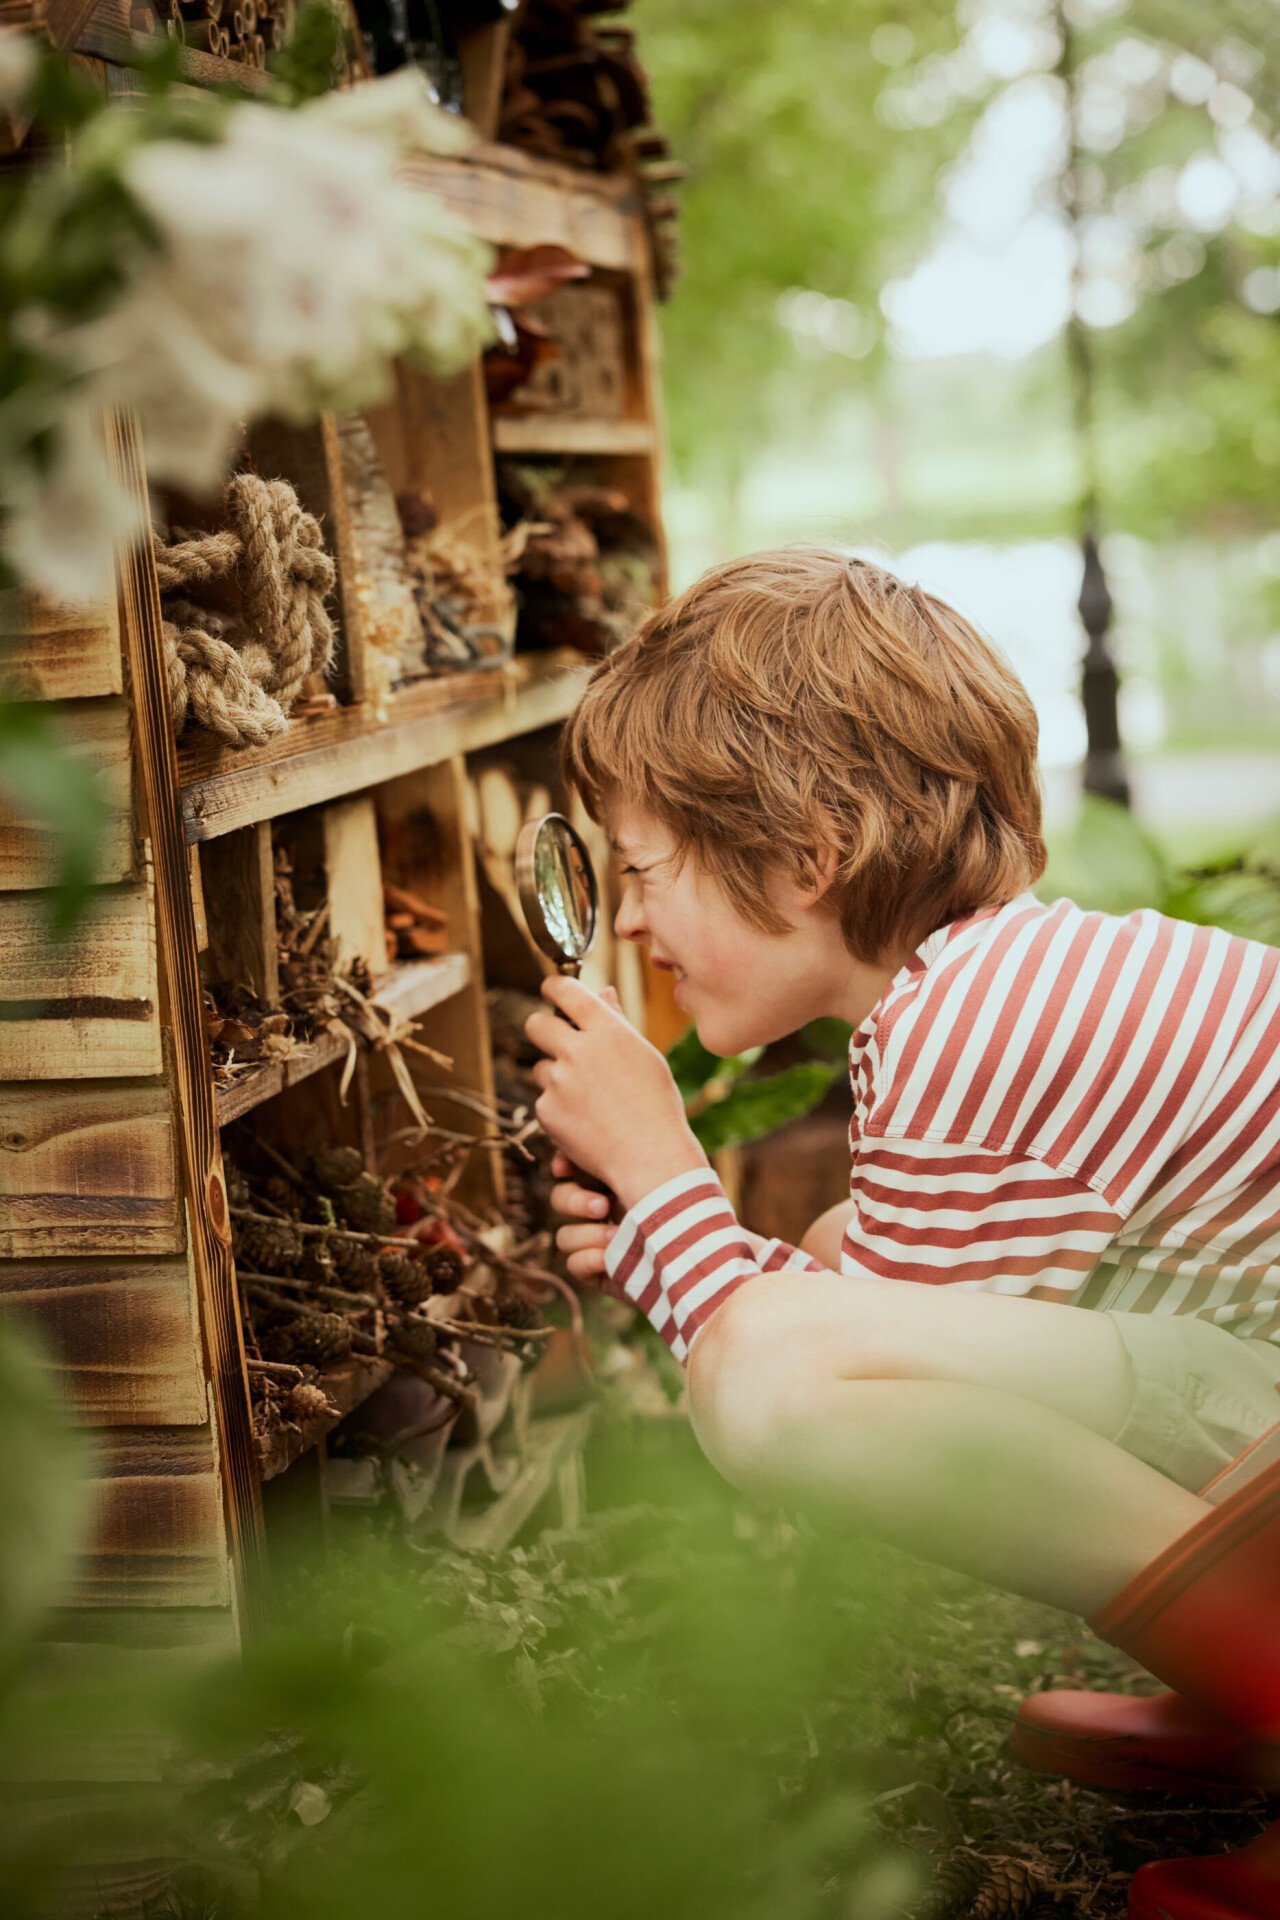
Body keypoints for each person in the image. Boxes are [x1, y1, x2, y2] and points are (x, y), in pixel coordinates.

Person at [523, 549, 1280, 1920]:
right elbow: (860, 1312)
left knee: (780, 1384)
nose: (629, 919)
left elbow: (831, 1385)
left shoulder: (971, 1033)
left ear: (810, 855)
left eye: (641, 871)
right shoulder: (986, 991)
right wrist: (662, 1224)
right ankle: (1247, 1683)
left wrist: (661, 1163)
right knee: (830, 1252)